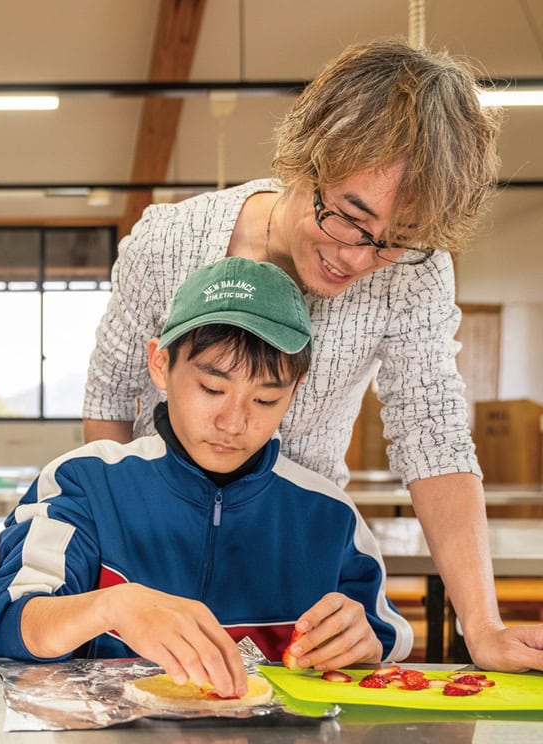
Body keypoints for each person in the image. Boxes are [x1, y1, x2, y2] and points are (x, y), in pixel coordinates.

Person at [82, 38, 543, 672]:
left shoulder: (415, 273)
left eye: (394, 240)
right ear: (309, 157)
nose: (358, 258)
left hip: (295, 564)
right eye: (350, 218)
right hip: (154, 552)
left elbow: (432, 437)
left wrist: (483, 625)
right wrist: (118, 558)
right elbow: (109, 398)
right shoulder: (168, 240)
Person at [0, 257, 413, 697]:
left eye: (266, 399)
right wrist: (111, 606)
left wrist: (362, 642)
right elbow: (11, 623)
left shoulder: (329, 515)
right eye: (212, 389)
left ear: (295, 390)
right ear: (160, 365)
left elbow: (384, 635)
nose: (233, 423)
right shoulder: (85, 484)